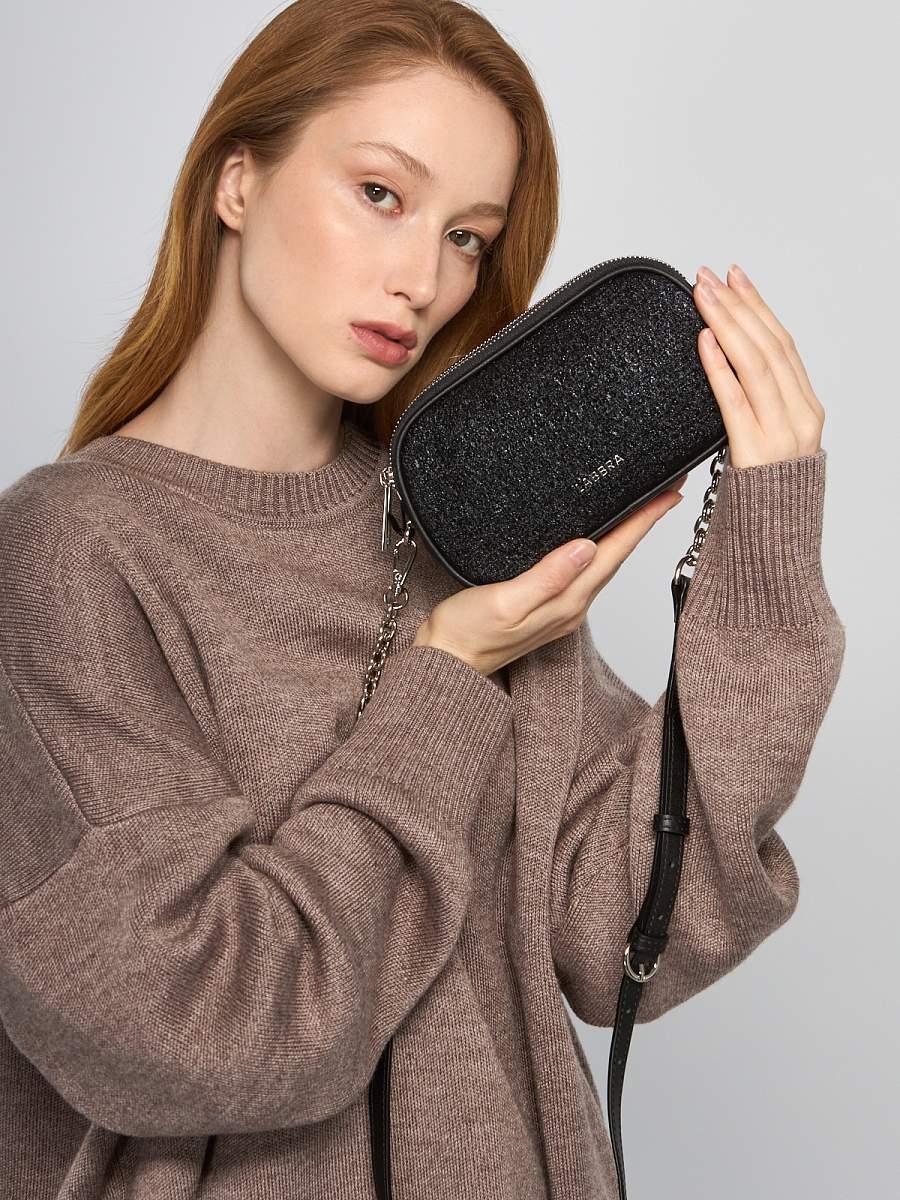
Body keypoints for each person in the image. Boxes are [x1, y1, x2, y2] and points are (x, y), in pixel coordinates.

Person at [0, 2, 846, 1198]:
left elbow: (623, 936)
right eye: (380, 194)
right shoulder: (66, 558)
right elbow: (197, 1027)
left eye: (467, 238)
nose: (421, 279)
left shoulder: (468, 536)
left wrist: (763, 549)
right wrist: (448, 675)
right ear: (237, 181)